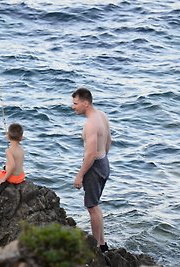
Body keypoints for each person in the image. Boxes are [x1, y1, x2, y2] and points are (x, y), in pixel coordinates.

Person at [71, 87, 111, 253]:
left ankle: (97, 247)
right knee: (95, 206)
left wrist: (79, 176)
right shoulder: (101, 115)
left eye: (75, 103)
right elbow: (109, 140)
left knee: (92, 207)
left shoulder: (90, 124)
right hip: (104, 163)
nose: (73, 107)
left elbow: (91, 154)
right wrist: (104, 160)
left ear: (85, 103)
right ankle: (102, 243)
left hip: (94, 167)